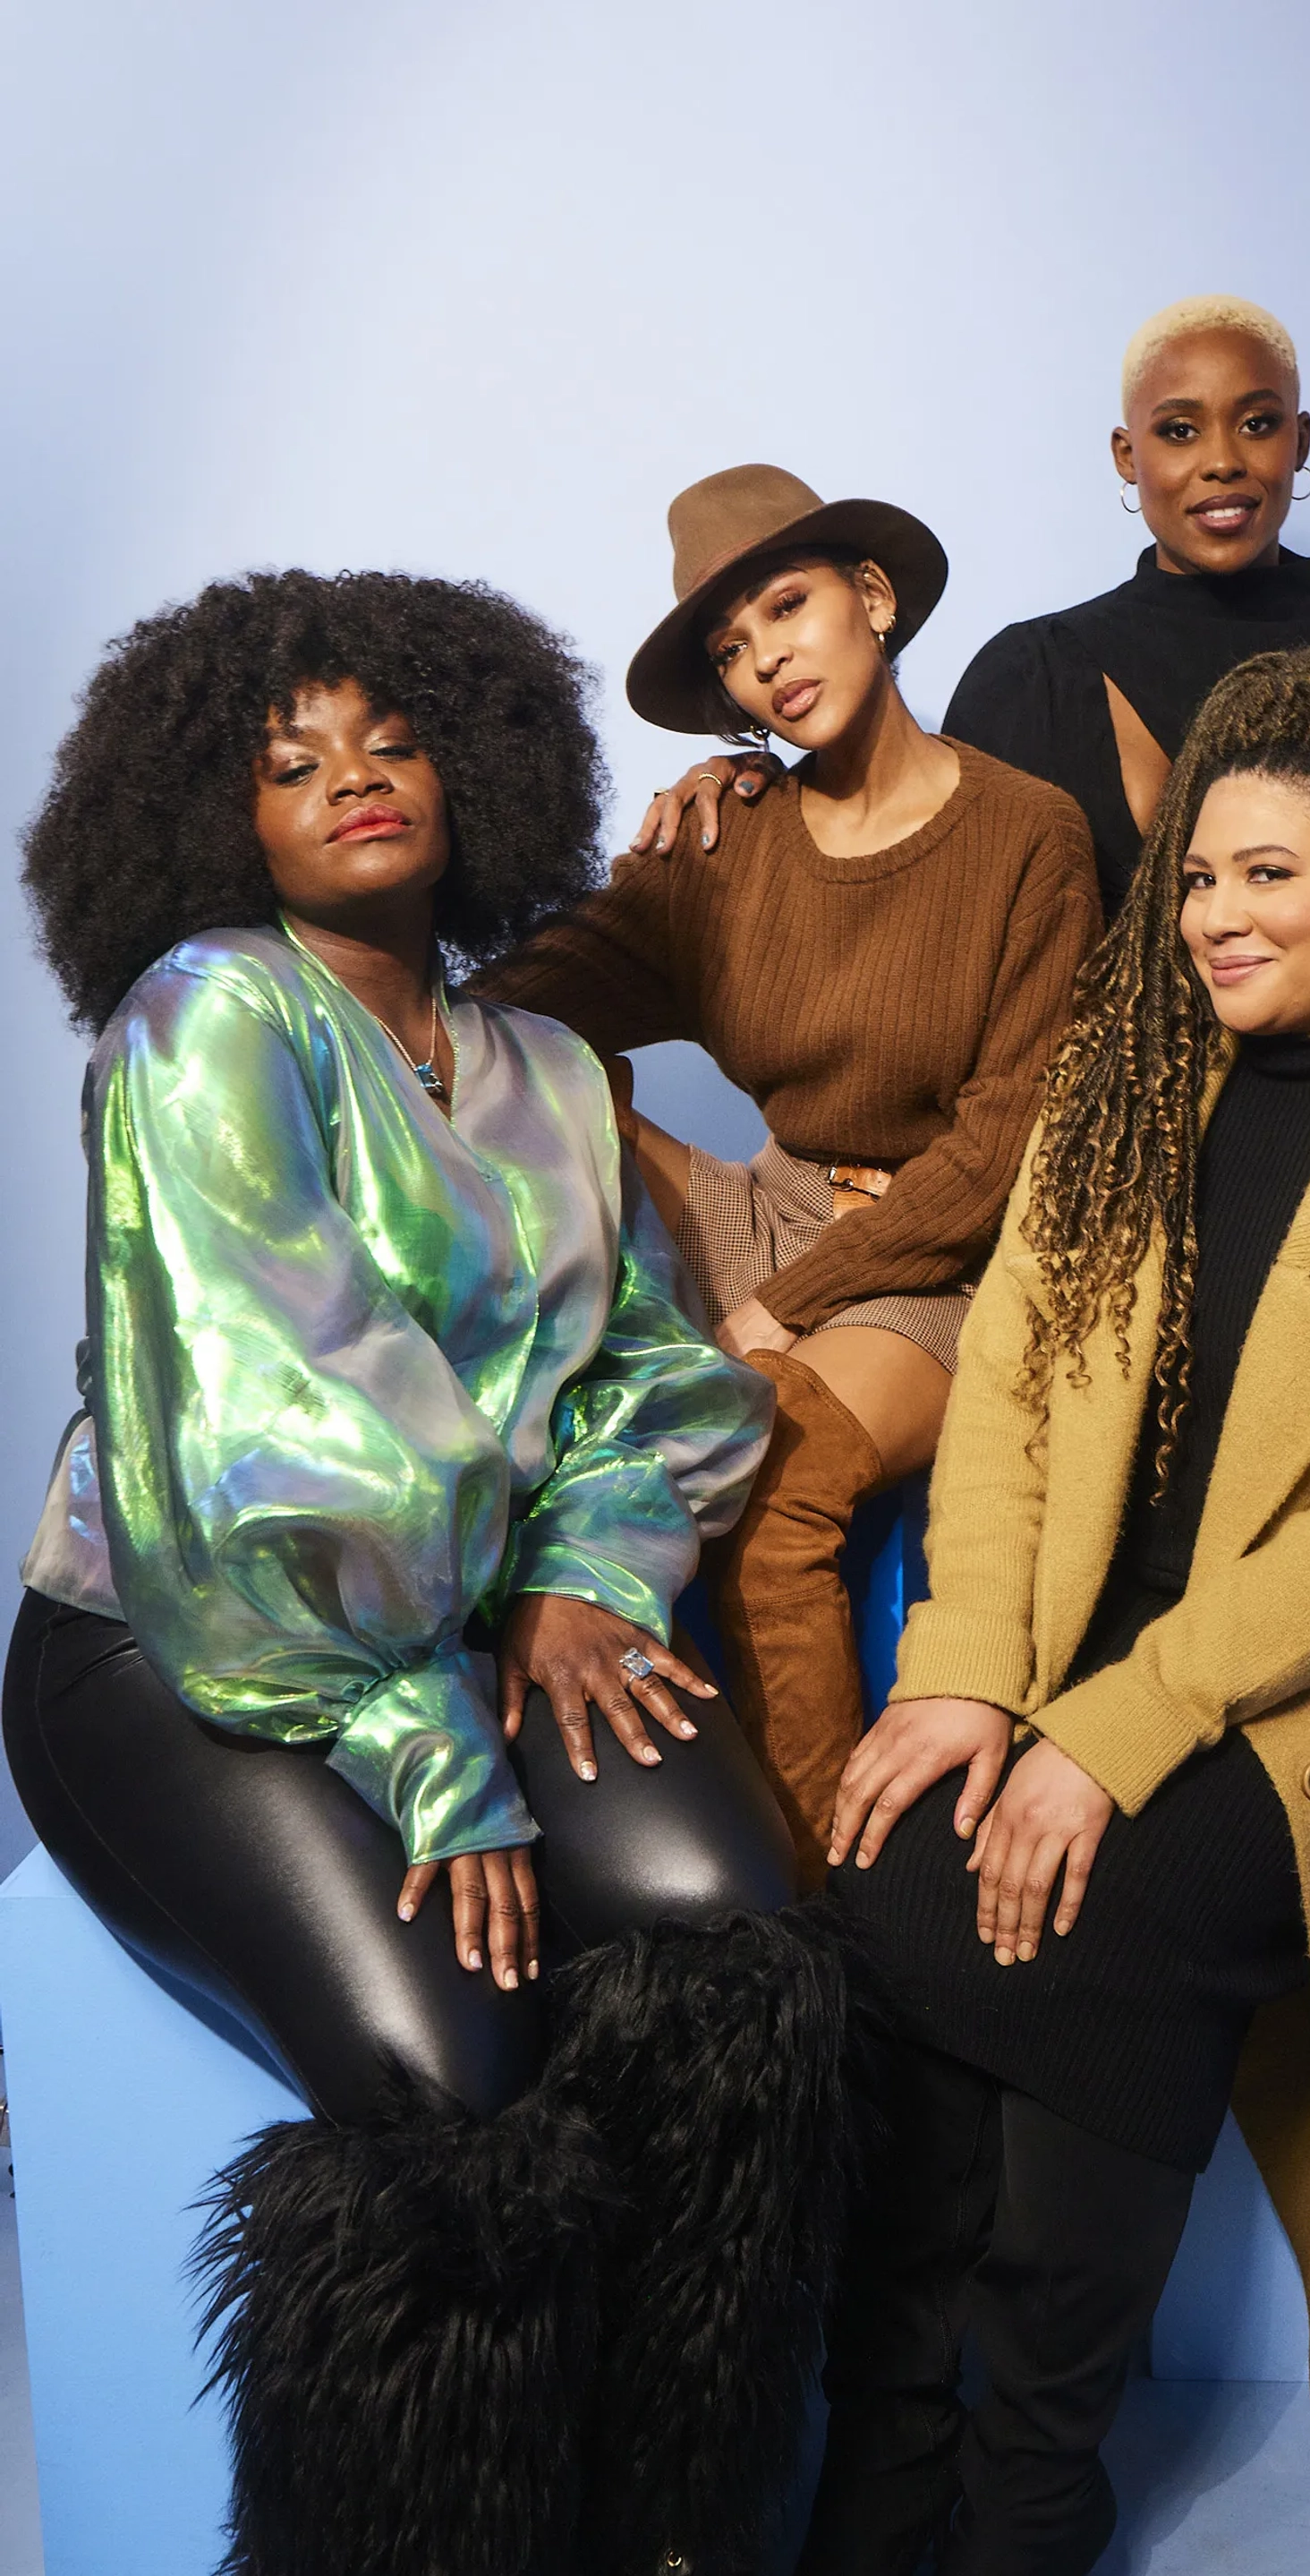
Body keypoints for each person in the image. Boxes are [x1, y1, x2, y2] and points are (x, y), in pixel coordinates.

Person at [5, 569, 857, 2576]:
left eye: (392, 739)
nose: (354, 780)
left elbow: (662, 1375)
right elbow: (253, 1439)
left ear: (477, 771)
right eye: (290, 760)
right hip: (182, 1641)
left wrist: (589, 1572)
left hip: (470, 1620)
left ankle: (675, 2523)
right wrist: (428, 1729)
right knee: (452, 2078)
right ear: (223, 819)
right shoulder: (202, 1017)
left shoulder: (554, 1074)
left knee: (739, 1949)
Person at [802, 644, 1310, 2576]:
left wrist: (1117, 1723)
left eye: (1268, 874)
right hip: (1115, 1633)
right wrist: (974, 1679)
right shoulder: (1129, 1081)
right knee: (899, 1867)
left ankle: (1031, 2479)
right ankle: (890, 2442)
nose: (1213, 915)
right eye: (1193, 877)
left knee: (1109, 1905)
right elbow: (1003, 1401)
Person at [645, 300, 1310, 1764]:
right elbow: (927, 876)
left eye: (1258, 422)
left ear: (1299, 445)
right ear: (1126, 459)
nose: (1223, 459)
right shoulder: (1031, 670)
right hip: (1143, 1120)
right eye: (1182, 429)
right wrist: (756, 776)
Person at [477, 465, 1101, 1882]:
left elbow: (1005, 1152)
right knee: (548, 1086)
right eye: (731, 647)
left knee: (774, 1486)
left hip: (942, 1261)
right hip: (775, 1207)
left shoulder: (1029, 835)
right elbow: (506, 1014)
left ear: (872, 602)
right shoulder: (730, 838)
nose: (765, 655)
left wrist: (783, 1304)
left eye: (788, 604)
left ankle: (838, 1909)